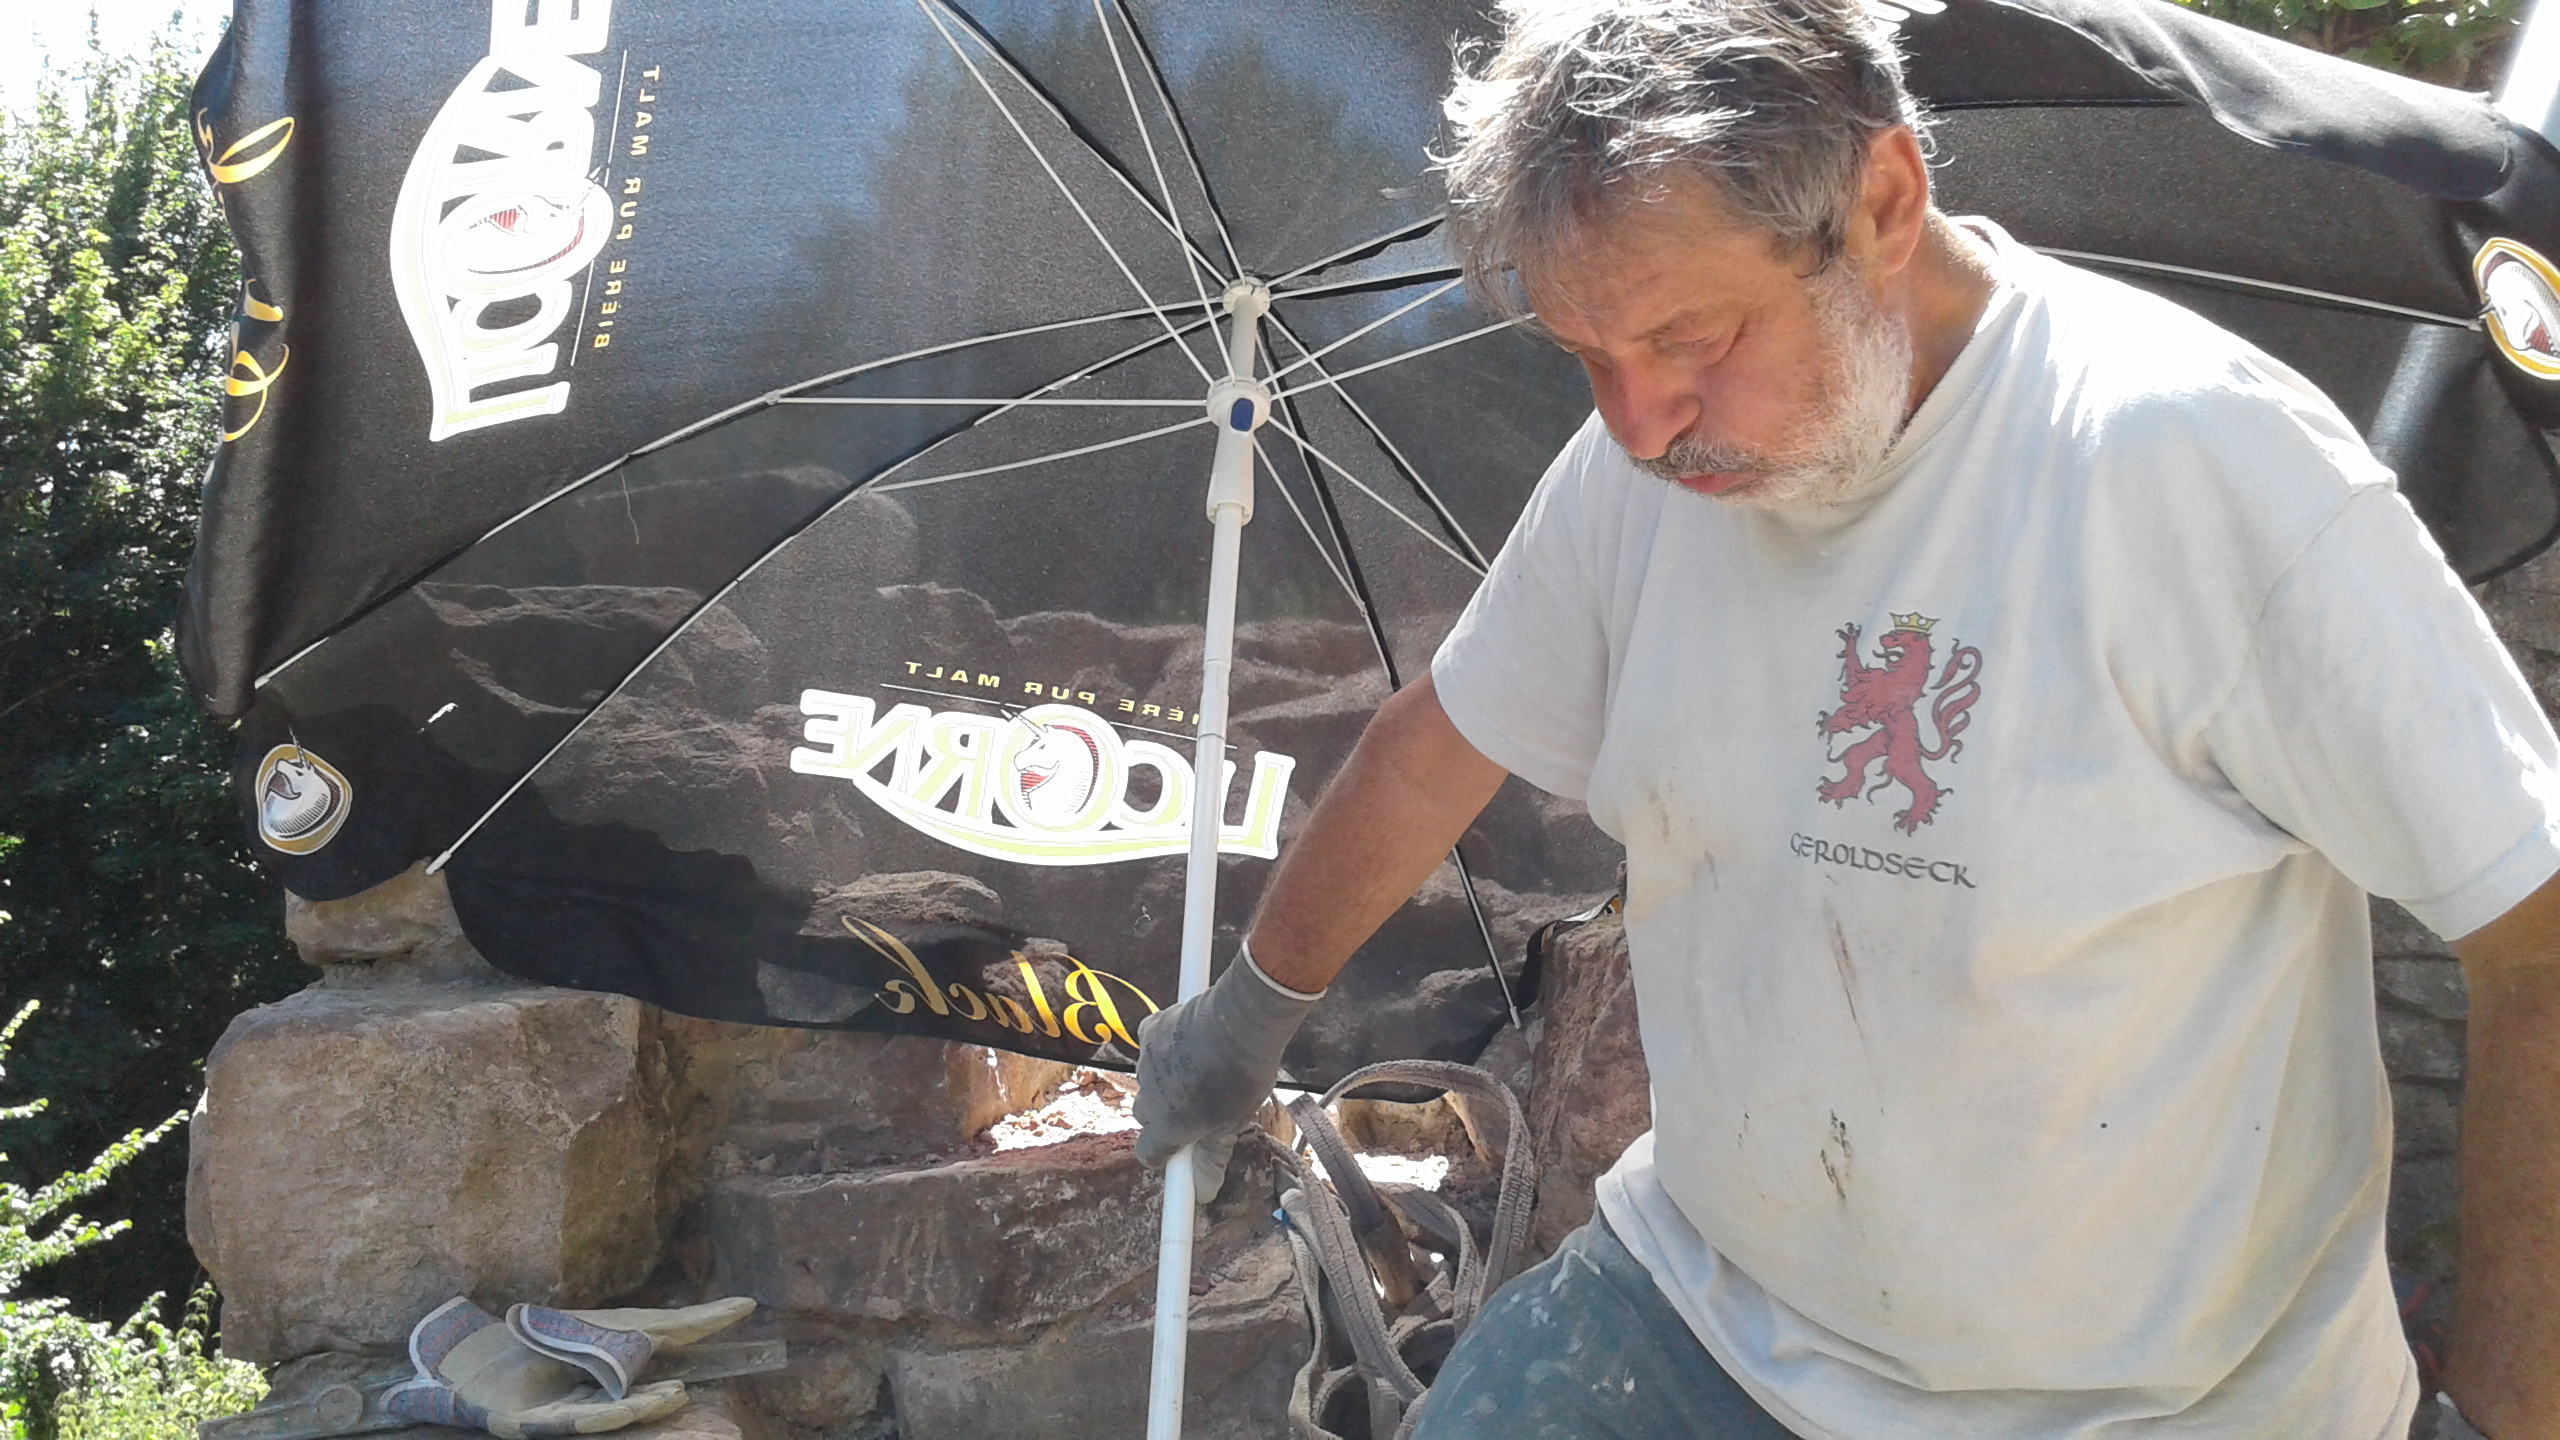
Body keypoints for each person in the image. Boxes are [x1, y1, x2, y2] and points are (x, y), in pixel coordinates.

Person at [1131, 0, 2560, 1435]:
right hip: (1709, 1309)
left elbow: (2539, 927)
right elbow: (1438, 746)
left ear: (1881, 201)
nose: (1638, 422)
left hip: (2149, 1406)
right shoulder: (1637, 477)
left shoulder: (2193, 462)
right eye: (1586, 354)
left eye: (1691, 336)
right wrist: (1247, 1017)